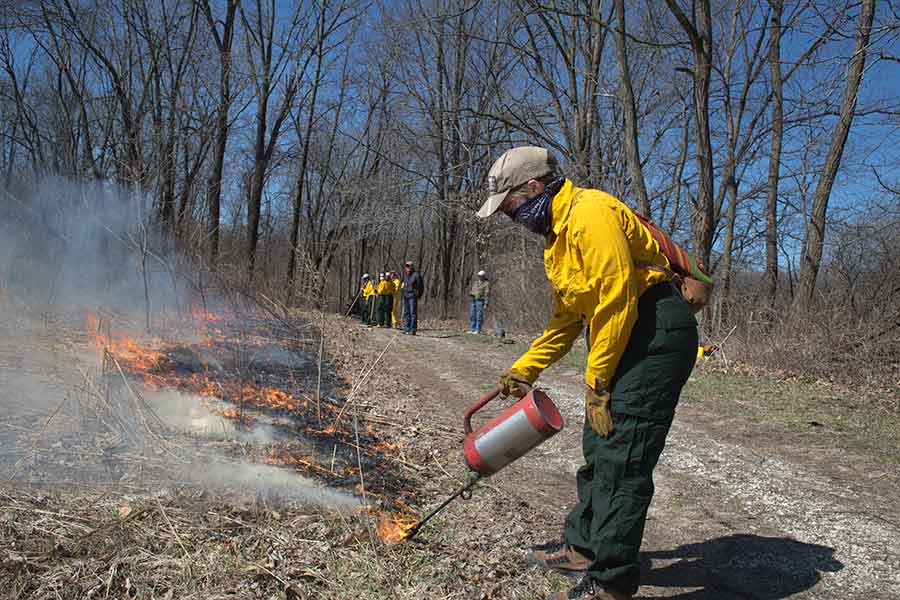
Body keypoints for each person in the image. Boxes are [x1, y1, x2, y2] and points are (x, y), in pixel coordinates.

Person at [477, 146, 698, 600]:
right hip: (623, 332)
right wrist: (524, 368)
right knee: (599, 445)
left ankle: (611, 582)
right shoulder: (557, 242)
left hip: (654, 329)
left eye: (510, 207)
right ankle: (583, 546)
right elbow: (567, 319)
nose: (508, 218)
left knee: (624, 452)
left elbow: (617, 298)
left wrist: (596, 382)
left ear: (534, 188)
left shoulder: (590, 213)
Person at [402, 260, 424, 335]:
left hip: (412, 296)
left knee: (413, 313)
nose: (407, 268)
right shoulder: (406, 276)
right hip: (406, 296)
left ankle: (413, 329)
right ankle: (407, 328)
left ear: (412, 267)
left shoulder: (416, 275)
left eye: (408, 266)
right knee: (406, 313)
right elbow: (404, 286)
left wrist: (418, 295)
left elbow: (421, 287)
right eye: (406, 266)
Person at [468, 270, 490, 334]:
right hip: (473, 300)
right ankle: (472, 329)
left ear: (483, 276)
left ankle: (478, 330)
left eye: (480, 276)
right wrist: (471, 293)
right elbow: (472, 290)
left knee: (479, 316)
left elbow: (487, 294)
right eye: (479, 276)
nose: (479, 277)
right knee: (472, 315)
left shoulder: (486, 283)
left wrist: (486, 303)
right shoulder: (475, 282)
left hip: (480, 301)